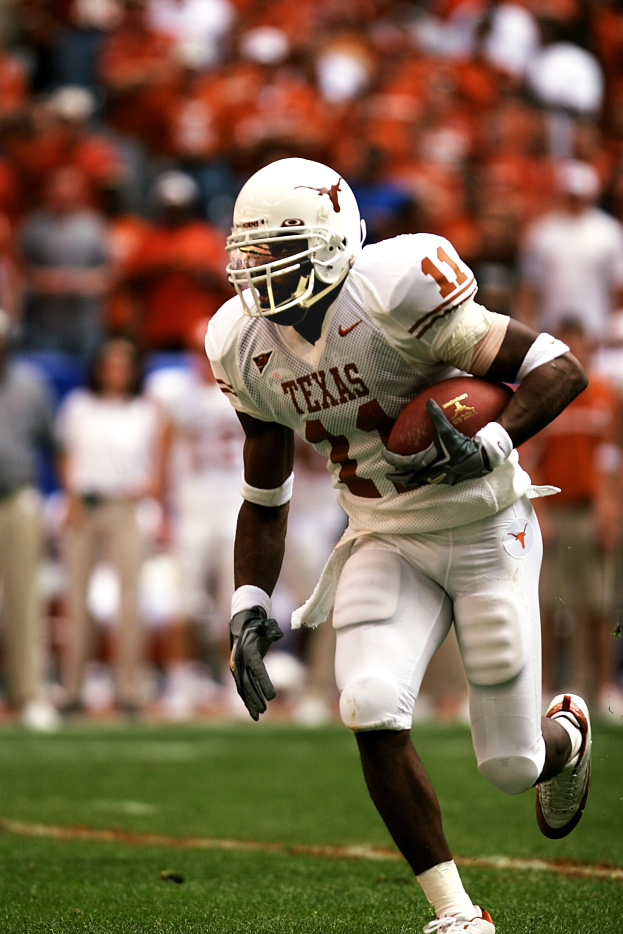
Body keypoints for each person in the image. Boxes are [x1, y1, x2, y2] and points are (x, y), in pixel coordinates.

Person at [206, 158, 592, 934]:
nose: (261, 274)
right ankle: (455, 913)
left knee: (511, 765)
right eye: (251, 255)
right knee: (369, 702)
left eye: (280, 253)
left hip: (485, 523)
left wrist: (491, 441)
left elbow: (556, 368)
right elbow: (265, 492)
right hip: (383, 534)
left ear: (333, 243)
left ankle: (567, 736)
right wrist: (248, 600)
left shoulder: (395, 290)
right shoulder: (241, 344)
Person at [56, 337, 171, 714]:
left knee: (130, 600)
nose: (117, 371)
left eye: (124, 364)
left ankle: (129, 689)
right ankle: (72, 689)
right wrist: (70, 496)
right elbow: (66, 453)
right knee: (76, 599)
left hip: (125, 506)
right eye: (111, 363)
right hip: (85, 506)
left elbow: (158, 464)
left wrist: (150, 489)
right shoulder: (78, 406)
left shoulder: (146, 410)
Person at [521, 319, 622, 713]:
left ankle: (601, 688)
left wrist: (610, 508)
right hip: (554, 511)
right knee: (547, 606)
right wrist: (540, 513)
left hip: (591, 509)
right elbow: (531, 458)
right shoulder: (545, 398)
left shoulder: (605, 395)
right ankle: (544, 687)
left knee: (598, 606)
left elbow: (611, 456)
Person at [0, 309, 59, 730]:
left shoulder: (31, 384)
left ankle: (30, 692)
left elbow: (55, 444)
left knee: (25, 601)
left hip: (17, 496)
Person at [518, 159, 623, 342]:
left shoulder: (609, 232)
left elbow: (617, 284)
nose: (574, 200)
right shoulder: (541, 232)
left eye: (579, 195)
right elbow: (530, 284)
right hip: (550, 327)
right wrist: (530, 325)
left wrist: (613, 324)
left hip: (596, 329)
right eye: (570, 195)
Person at [125, 171, 229, 350]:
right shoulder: (150, 238)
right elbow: (130, 280)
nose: (174, 214)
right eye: (169, 208)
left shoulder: (205, 236)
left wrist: (195, 269)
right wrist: (164, 266)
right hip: (157, 330)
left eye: (179, 208)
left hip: (199, 330)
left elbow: (225, 283)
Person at [19, 166, 110, 355]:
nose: (63, 195)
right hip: (44, 328)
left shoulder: (94, 226)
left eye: (69, 191)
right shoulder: (34, 227)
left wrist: (76, 282)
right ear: (48, 191)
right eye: (58, 190)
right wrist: (45, 281)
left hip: (86, 327)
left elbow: (110, 275)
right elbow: (19, 273)